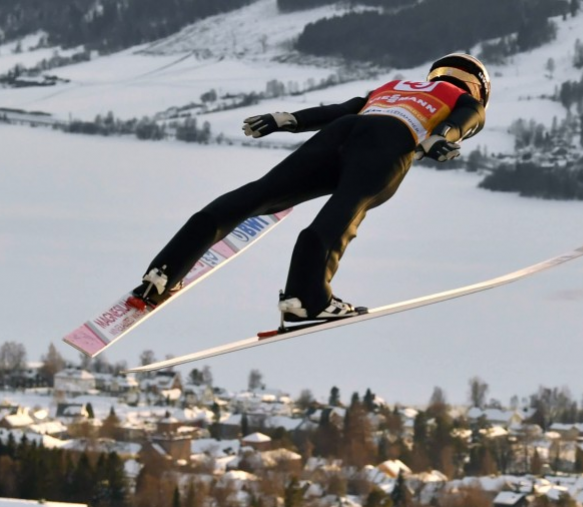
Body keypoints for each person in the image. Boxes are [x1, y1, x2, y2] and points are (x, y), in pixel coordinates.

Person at [130, 53, 491, 324]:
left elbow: (340, 109)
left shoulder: (394, 86)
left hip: (345, 130)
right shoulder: (462, 97)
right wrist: (441, 138)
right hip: (391, 141)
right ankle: (306, 299)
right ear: (476, 86)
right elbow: (467, 119)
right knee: (345, 211)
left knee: (259, 193)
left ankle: (163, 272)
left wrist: (284, 120)